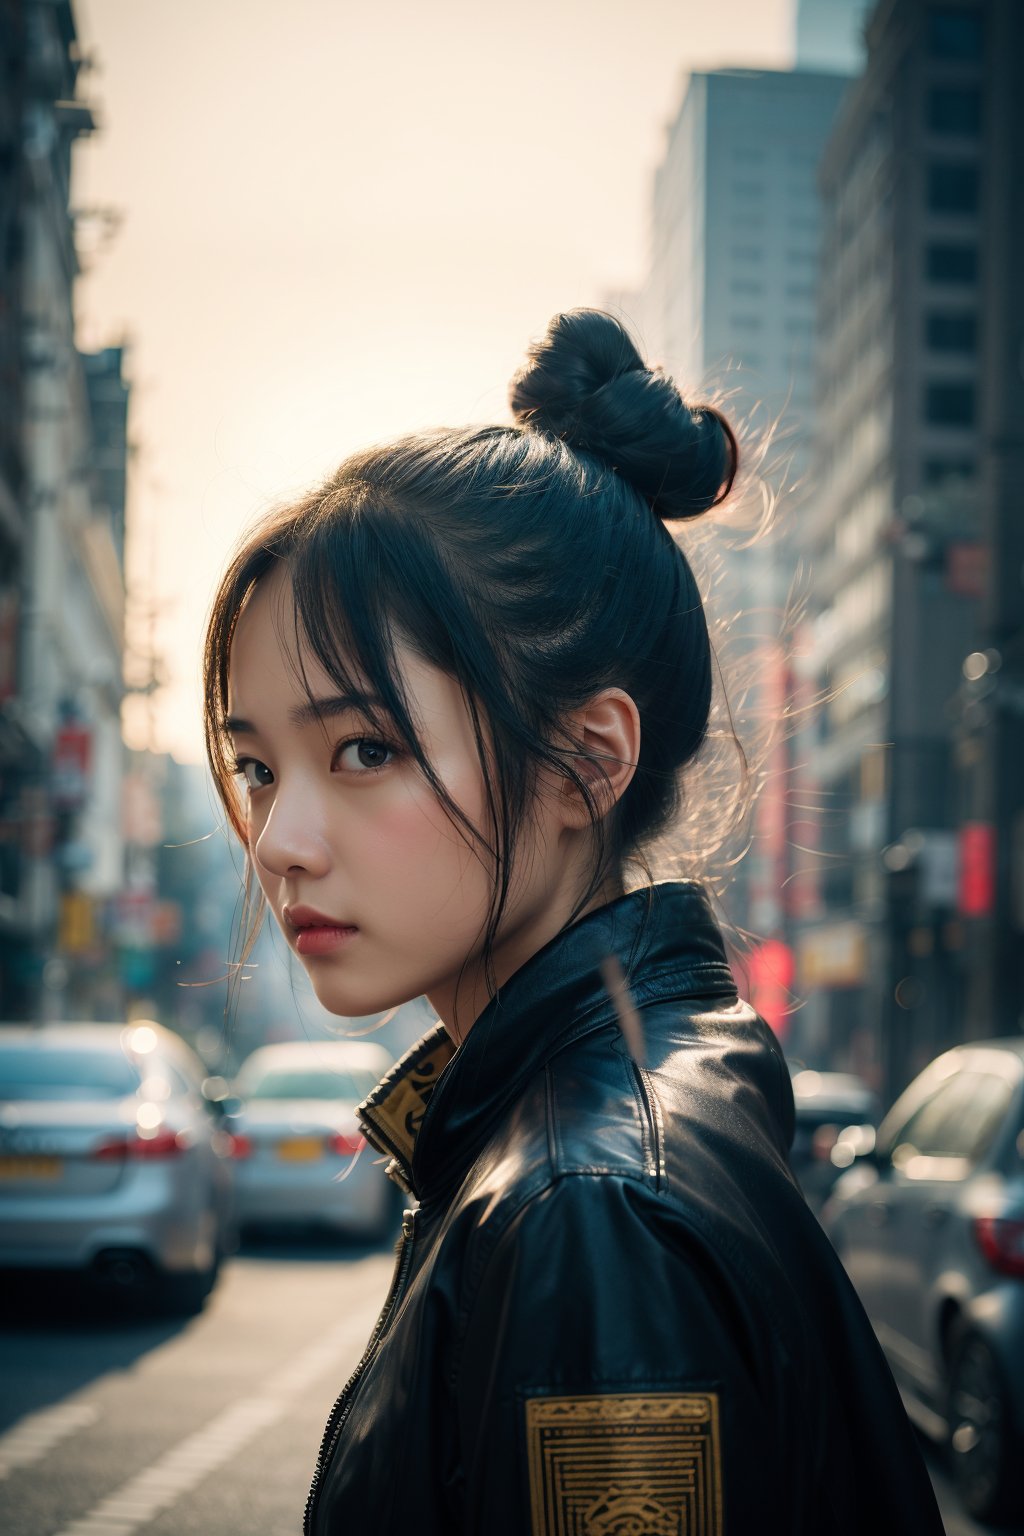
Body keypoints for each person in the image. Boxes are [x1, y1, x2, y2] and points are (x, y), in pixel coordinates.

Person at [203, 310, 945, 1535]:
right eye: (258, 766)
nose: (280, 840)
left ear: (584, 763)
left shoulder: (590, 1208)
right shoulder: (603, 1130)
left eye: (363, 749)